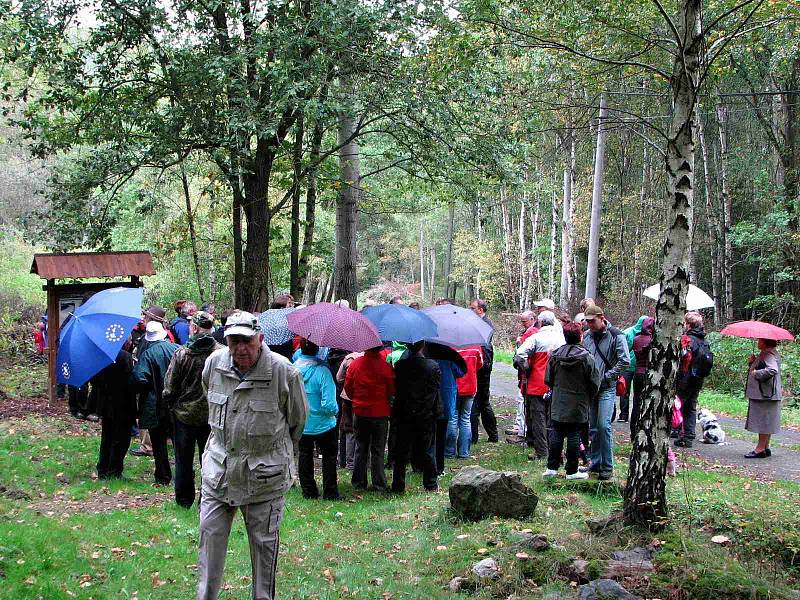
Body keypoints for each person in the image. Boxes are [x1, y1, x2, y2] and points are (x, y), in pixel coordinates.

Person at [197, 310, 307, 600]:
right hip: (218, 474)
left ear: (260, 339)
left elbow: (297, 422)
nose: (240, 348)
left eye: (247, 341)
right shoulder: (213, 365)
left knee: (264, 553)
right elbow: (208, 398)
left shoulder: (284, 372)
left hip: (264, 479)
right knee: (209, 545)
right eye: (234, 341)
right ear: (226, 340)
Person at [162, 311, 222, 508]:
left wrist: (171, 404)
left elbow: (169, 387)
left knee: (183, 460)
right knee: (210, 460)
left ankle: (184, 499)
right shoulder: (221, 353)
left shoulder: (182, 353)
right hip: (212, 416)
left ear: (194, 328)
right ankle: (207, 498)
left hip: (184, 416)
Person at [543, 322, 601, 480]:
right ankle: (571, 470)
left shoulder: (555, 355)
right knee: (574, 434)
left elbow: (548, 379)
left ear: (565, 335)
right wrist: (589, 396)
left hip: (558, 401)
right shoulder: (587, 357)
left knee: (556, 433)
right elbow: (595, 382)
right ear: (581, 336)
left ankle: (551, 468)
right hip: (579, 401)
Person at [582, 304, 629, 480]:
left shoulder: (617, 335)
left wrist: (608, 376)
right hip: (591, 388)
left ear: (602, 318)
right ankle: (595, 464)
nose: (589, 325)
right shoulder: (586, 336)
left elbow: (624, 361)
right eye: (587, 322)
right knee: (592, 427)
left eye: (592, 321)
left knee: (604, 425)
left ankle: (607, 466)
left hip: (607, 387)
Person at [131, 321, 180, 485]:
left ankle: (163, 476)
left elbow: (139, 378)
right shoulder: (177, 350)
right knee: (178, 442)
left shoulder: (147, 354)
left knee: (158, 444)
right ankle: (182, 475)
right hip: (175, 404)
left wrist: (150, 387)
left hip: (154, 405)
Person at [391, 341, 442, 493]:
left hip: (405, 413)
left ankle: (398, 485)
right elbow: (435, 389)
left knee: (402, 450)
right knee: (427, 450)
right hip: (426, 413)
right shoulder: (432, 366)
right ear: (422, 346)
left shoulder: (400, 366)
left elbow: (398, 390)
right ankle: (431, 484)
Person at [514, 311, 566, 460]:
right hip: (557, 384)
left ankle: (542, 452)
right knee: (555, 419)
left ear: (540, 323)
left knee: (538, 419)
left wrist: (526, 367)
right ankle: (556, 450)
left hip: (537, 383)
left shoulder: (536, 338)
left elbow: (520, 354)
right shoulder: (561, 338)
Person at [344, 345, 395, 491]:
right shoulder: (386, 367)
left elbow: (348, 388)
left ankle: (359, 482)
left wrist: (357, 399)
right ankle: (379, 483)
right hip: (380, 413)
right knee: (378, 449)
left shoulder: (355, 364)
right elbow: (391, 390)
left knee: (361, 447)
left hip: (360, 411)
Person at [295, 338, 340, 499]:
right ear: (317, 350)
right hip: (324, 423)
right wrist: (334, 412)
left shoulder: (292, 370)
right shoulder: (323, 371)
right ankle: (330, 491)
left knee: (304, 455)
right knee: (329, 456)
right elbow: (329, 403)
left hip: (302, 423)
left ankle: (308, 491)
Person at [130, 305, 170, 457]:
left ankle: (147, 445)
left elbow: (143, 362)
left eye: (147, 316)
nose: (144, 318)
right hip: (161, 380)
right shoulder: (167, 339)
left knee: (148, 413)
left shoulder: (149, 341)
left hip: (150, 381)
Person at [91, 348, 136, 479]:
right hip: (123, 402)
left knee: (107, 436)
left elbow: (94, 380)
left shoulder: (100, 356)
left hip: (106, 403)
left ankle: (103, 468)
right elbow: (131, 380)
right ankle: (114, 470)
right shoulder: (125, 357)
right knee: (121, 438)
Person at [674, 311, 712, 448]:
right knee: (691, 406)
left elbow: (683, 357)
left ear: (688, 324)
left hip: (686, 376)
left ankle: (676, 430)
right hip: (699, 378)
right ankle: (688, 436)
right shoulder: (704, 340)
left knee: (678, 404)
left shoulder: (687, 339)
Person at [744, 338, 783, 458]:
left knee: (763, 422)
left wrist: (756, 373)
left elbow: (772, 370)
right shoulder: (770, 353)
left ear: (765, 342)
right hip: (768, 394)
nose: (757, 342)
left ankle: (760, 449)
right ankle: (765, 447)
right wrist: (753, 363)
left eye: (760, 340)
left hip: (765, 394)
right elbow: (764, 367)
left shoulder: (767, 354)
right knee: (767, 420)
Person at [430, 351, 465, 474]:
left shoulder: (426, 355)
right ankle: (439, 466)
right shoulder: (449, 356)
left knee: (429, 435)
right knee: (441, 434)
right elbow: (461, 372)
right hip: (446, 399)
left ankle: (426, 464)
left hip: (429, 401)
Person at [469, 299, 498, 443]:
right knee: (481, 403)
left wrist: (481, 367)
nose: (470, 310)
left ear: (480, 310)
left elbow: (485, 349)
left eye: (472, 308)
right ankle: (490, 435)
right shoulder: (483, 323)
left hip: (482, 370)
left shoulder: (484, 325)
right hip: (483, 369)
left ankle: (475, 436)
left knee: (479, 403)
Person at [447, 345, 483, 459]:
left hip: (454, 387)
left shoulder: (450, 346)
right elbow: (480, 365)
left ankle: (449, 451)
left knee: (452, 418)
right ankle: (464, 452)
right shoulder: (476, 346)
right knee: (465, 419)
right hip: (470, 387)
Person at [507, 311, 537, 442]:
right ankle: (521, 429)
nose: (522, 324)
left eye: (524, 321)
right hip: (523, 373)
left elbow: (523, 354)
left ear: (532, 319)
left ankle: (523, 431)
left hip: (527, 374)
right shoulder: (530, 331)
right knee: (522, 401)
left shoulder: (532, 332)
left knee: (523, 401)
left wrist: (519, 344)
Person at [336, 351, 362, 470]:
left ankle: (349, 462)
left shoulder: (348, 359)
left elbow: (339, 378)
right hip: (363, 396)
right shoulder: (365, 358)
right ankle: (361, 461)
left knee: (348, 429)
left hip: (347, 398)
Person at [619, 316, 648, 423]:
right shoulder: (647, 336)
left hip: (629, 366)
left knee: (625, 390)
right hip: (636, 367)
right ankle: (627, 414)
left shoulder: (627, 332)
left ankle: (624, 415)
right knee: (630, 392)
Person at [631, 317, 655, 433]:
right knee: (648, 404)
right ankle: (645, 430)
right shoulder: (653, 341)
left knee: (636, 402)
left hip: (637, 374)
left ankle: (633, 431)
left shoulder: (636, 339)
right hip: (649, 374)